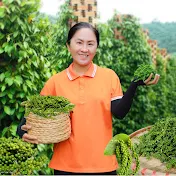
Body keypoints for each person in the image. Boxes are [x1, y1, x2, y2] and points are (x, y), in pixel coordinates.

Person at [17, 22, 160, 175]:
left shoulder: (109, 76)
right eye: (79, 42)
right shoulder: (55, 82)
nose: (84, 49)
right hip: (65, 167)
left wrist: (134, 85)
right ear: (68, 46)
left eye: (90, 44)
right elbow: (36, 112)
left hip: (103, 166)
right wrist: (21, 130)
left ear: (96, 48)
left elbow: (119, 112)